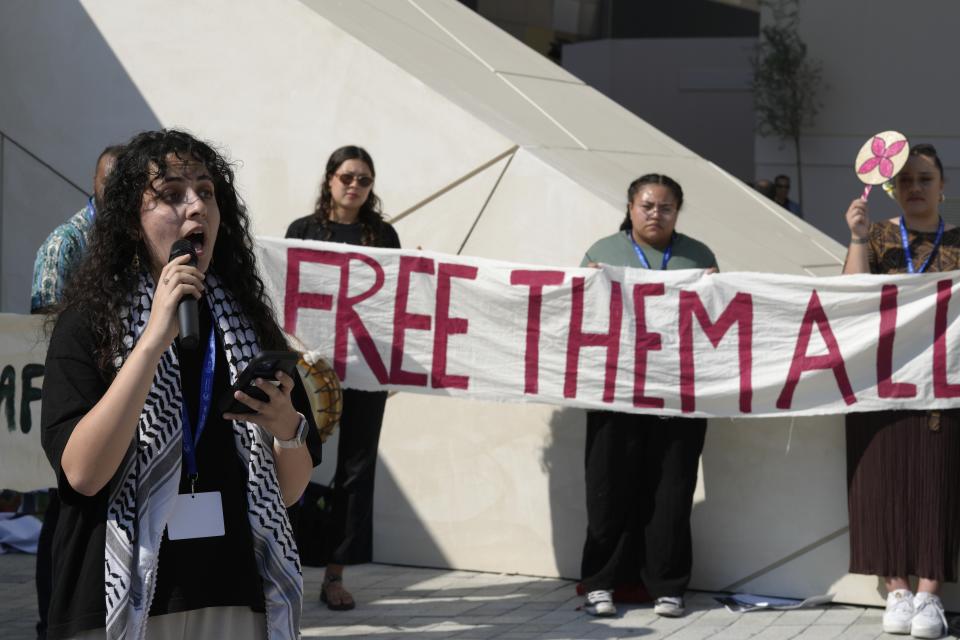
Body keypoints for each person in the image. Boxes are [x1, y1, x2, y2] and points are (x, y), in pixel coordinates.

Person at [40, 129, 321, 640]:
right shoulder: (88, 324)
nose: (195, 207)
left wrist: (287, 429)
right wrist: (151, 342)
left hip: (233, 591)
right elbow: (82, 473)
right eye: (170, 194)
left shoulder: (248, 326)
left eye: (206, 192)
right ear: (132, 222)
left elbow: (290, 490)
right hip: (115, 601)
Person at [578, 174, 717, 619]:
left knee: (671, 492)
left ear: (678, 211)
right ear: (630, 207)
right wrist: (590, 283)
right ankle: (601, 581)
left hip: (678, 393)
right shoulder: (602, 253)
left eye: (666, 207)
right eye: (647, 205)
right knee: (607, 488)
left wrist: (715, 288)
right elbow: (578, 317)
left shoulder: (699, 257)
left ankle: (668, 585)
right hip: (614, 391)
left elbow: (716, 323)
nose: (655, 214)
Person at [842, 143, 959, 639]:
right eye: (905, 180)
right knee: (882, 479)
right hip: (881, 382)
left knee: (938, 481)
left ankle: (930, 596)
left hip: (943, 382)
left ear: (943, 188)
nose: (915, 188)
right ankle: (897, 589)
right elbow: (849, 295)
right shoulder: (879, 235)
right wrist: (855, 238)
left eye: (925, 179)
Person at [285, 145, 400, 612]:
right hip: (309, 368)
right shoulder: (303, 231)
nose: (355, 185)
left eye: (364, 180)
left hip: (365, 368)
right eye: (347, 176)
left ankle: (335, 574)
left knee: (355, 469)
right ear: (330, 179)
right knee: (291, 454)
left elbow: (392, 300)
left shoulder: (383, 234)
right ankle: (283, 561)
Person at [30, 143, 121, 640]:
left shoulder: (132, 240)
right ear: (94, 183)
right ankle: (54, 619)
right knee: (62, 511)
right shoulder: (67, 243)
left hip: (113, 406)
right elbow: (45, 327)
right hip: (72, 399)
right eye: (112, 183)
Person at [31, 145, 122, 313]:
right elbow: (44, 320)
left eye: (121, 185)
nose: (113, 192)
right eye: (107, 183)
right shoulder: (63, 243)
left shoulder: (134, 235)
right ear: (94, 181)